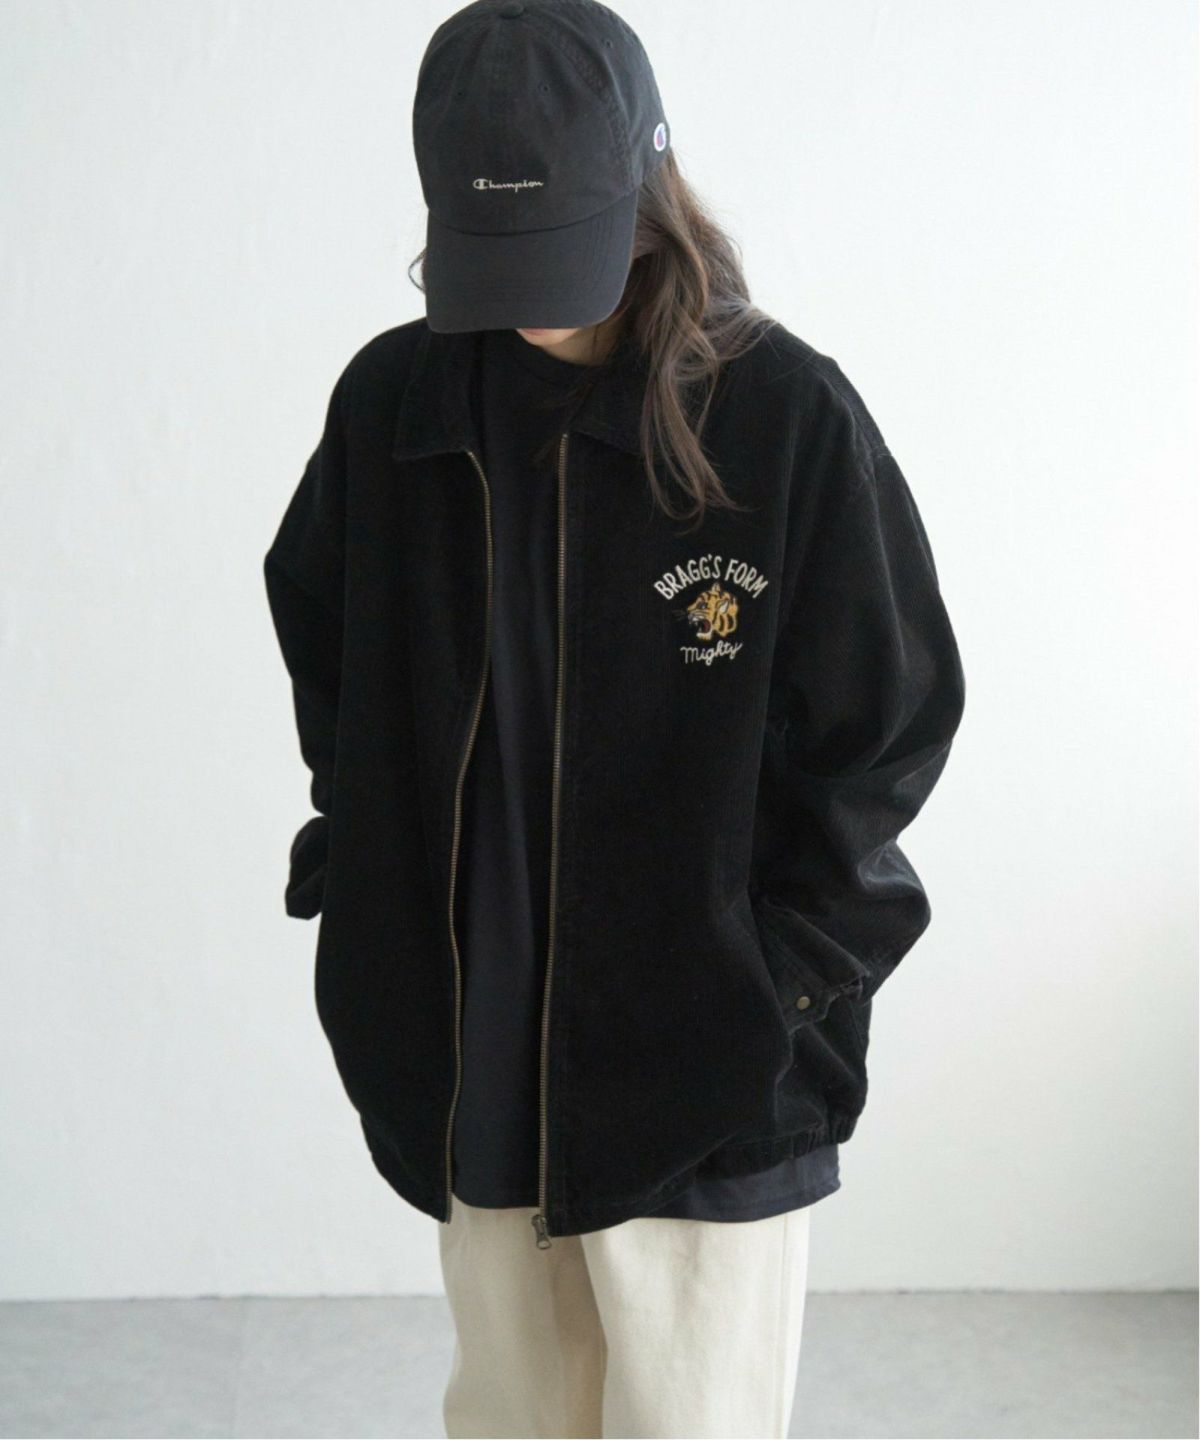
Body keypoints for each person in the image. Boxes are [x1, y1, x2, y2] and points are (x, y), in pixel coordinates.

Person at [262, 1, 967, 1435]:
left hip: (715, 1079)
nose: (531, 298)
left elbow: (887, 726)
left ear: (650, 187)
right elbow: (330, 659)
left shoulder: (782, 417)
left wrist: (778, 983)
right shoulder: (395, 405)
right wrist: (365, 880)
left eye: (561, 247)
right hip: (472, 1058)